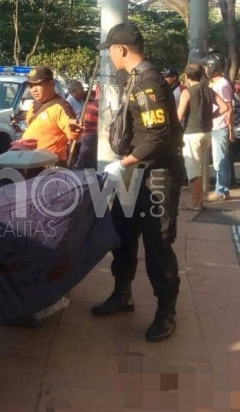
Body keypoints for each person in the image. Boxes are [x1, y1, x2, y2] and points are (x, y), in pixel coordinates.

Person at [91, 22, 183, 343]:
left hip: (156, 174)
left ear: (121, 49)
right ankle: (122, 294)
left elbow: (157, 137)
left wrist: (123, 163)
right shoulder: (133, 78)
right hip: (134, 172)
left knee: (158, 244)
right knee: (123, 234)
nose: (110, 57)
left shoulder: (149, 82)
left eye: (110, 50)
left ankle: (166, 312)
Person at [20, 66, 81, 165]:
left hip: (50, 166)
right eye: (31, 86)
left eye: (38, 85)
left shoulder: (61, 107)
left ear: (51, 84)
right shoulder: (33, 105)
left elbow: (71, 132)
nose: (33, 90)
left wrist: (75, 129)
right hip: (29, 162)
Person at [176, 62, 214, 211]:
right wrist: (210, 116)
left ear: (186, 76)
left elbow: (179, 116)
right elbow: (225, 107)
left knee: (193, 171)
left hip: (192, 134)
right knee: (197, 168)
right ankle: (199, 201)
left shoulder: (187, 92)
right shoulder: (209, 91)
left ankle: (195, 204)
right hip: (207, 133)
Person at [202, 53, 234, 201]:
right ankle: (224, 190)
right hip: (214, 127)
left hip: (220, 127)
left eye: (207, 66)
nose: (205, 69)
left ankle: (220, 190)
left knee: (219, 160)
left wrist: (231, 129)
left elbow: (228, 107)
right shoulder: (213, 83)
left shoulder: (223, 84)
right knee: (220, 160)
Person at [72, 87, 98, 170]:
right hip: (92, 135)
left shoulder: (87, 106)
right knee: (86, 159)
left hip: (87, 134)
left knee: (85, 158)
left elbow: (81, 120)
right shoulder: (96, 106)